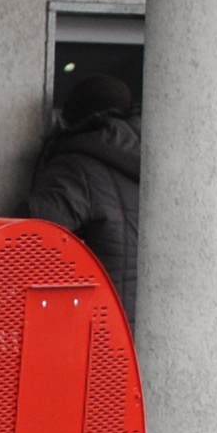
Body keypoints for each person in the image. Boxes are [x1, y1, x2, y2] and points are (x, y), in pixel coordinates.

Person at [25, 68, 141, 302]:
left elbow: (29, 240)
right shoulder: (156, 160)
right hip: (146, 315)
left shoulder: (75, 167)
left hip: (98, 318)